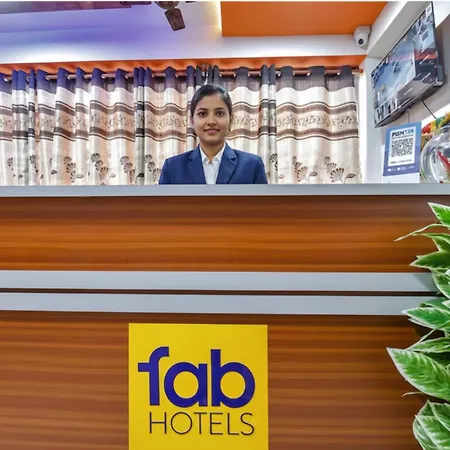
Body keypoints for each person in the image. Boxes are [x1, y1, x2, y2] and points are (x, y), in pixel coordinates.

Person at [158, 84, 268, 184]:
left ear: (231, 119)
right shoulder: (172, 168)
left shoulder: (252, 166)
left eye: (219, 113)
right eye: (202, 114)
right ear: (192, 120)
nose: (211, 121)